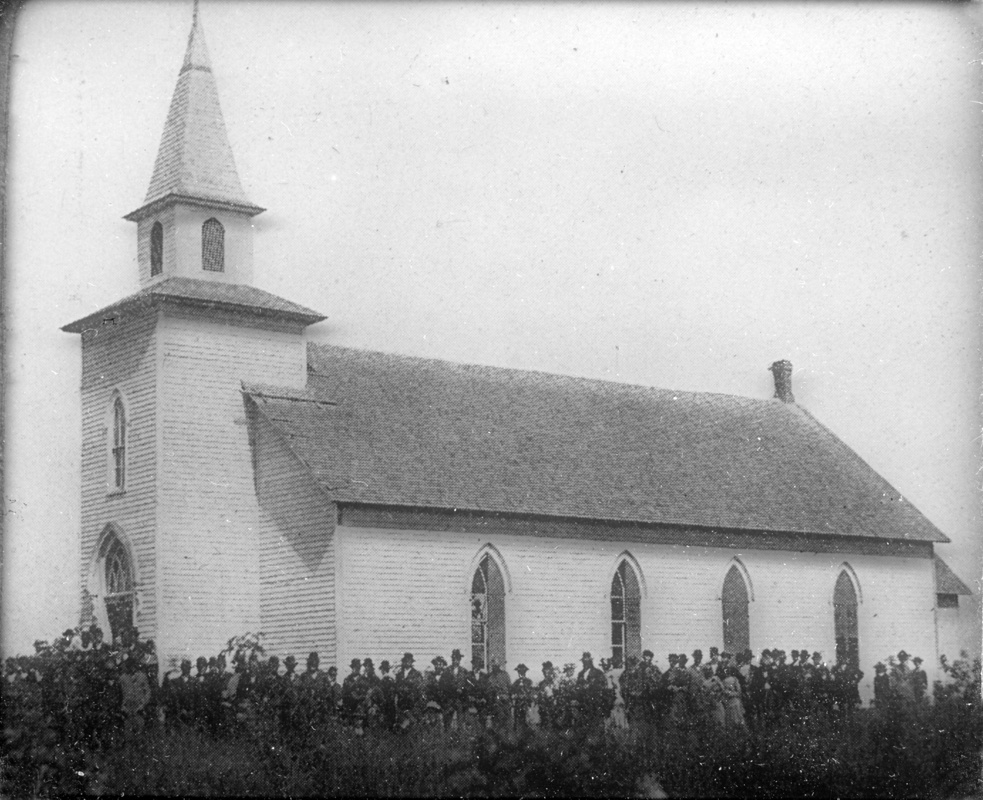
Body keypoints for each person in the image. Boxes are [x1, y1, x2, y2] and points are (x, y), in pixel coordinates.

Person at [119, 654, 151, 739]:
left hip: (139, 707)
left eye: (132, 665)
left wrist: (143, 704)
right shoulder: (122, 678)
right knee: (128, 734)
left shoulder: (142, 676)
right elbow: (120, 694)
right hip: (127, 708)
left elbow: (147, 692)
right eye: (128, 665)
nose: (131, 668)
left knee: (140, 733)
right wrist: (123, 707)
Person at [395, 653, 423, 729]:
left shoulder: (416, 674)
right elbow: (396, 688)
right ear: (403, 662)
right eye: (405, 661)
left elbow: (419, 690)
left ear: (411, 662)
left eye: (409, 661)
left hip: (412, 704)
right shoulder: (399, 674)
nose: (407, 662)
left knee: (411, 724)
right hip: (401, 703)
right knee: (402, 725)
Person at [486, 659, 512, 728]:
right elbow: (488, 689)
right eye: (493, 666)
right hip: (494, 701)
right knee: (496, 721)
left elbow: (510, 688)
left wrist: (506, 695)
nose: (494, 667)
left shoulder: (505, 675)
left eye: (496, 666)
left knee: (505, 721)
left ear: (499, 666)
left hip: (504, 701)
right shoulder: (490, 676)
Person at [512, 664, 535, 729]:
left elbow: (531, 692)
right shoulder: (516, 682)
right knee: (517, 720)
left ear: (525, 673)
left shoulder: (529, 681)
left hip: (526, 703)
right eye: (519, 672)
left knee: (527, 720)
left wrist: (527, 694)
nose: (520, 674)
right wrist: (515, 694)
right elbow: (512, 691)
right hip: (518, 703)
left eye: (522, 672)